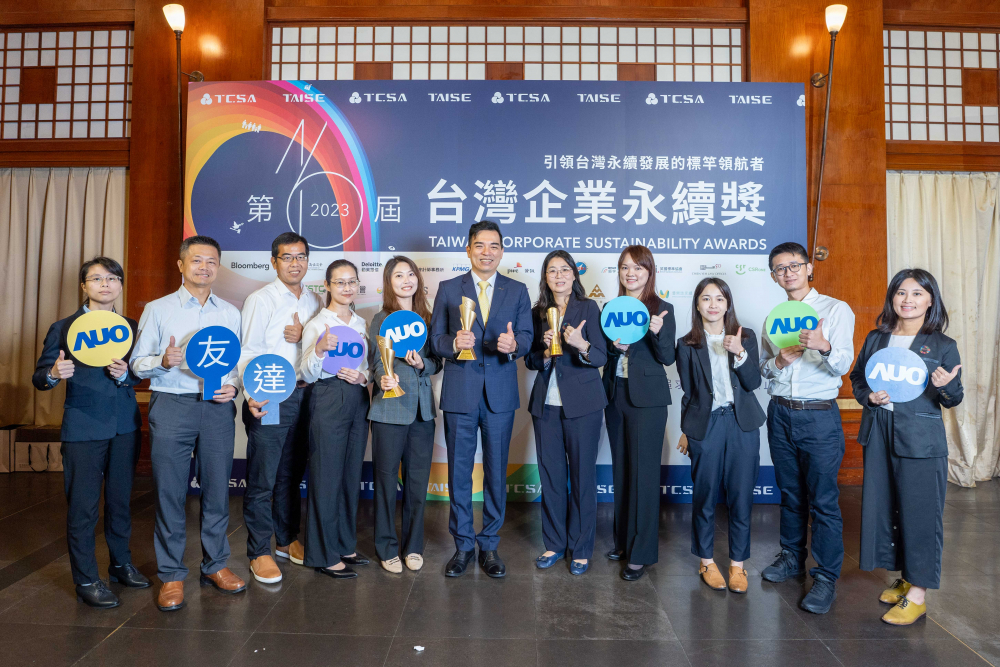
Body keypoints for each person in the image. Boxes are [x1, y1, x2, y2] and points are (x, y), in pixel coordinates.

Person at [131, 235, 245, 612]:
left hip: (216, 409)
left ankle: (215, 565)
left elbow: (236, 364)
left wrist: (233, 386)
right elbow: (137, 364)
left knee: (217, 489)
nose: (204, 267)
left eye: (211, 261)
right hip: (172, 406)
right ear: (181, 265)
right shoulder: (158, 309)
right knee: (170, 492)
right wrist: (162, 362)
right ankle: (171, 573)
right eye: (196, 260)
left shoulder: (230, 312)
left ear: (218, 267)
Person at [32, 257, 149, 609]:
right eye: (97, 279)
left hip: (125, 426)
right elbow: (40, 378)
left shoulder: (130, 326)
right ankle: (85, 579)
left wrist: (126, 374)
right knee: (83, 507)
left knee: (120, 502)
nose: (105, 284)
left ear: (120, 285)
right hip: (83, 427)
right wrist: (53, 373)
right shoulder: (63, 328)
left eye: (112, 278)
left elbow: (139, 373)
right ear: (84, 286)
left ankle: (120, 564)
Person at [849, 269, 962, 626]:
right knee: (886, 507)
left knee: (921, 512)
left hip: (920, 437)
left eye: (917, 293)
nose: (907, 300)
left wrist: (945, 386)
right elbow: (857, 378)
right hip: (879, 432)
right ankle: (905, 577)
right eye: (901, 292)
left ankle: (918, 594)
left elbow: (953, 398)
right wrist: (869, 396)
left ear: (930, 301)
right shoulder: (876, 338)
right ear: (892, 298)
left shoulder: (943, 345)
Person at [430, 220, 532, 578]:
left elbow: (527, 336)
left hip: (500, 395)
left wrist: (514, 344)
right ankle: (462, 546)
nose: (487, 252)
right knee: (459, 472)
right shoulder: (448, 288)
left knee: (495, 472)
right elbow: (435, 340)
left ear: (501, 251)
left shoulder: (517, 290)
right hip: (460, 393)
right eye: (480, 245)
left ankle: (489, 544)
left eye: (494, 246)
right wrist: (452, 344)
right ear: (468, 249)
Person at [758, 241, 855, 614]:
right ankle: (791, 557)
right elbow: (765, 369)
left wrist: (823, 345)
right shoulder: (774, 317)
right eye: (780, 269)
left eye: (794, 265)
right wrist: (779, 363)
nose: (788, 273)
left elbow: (843, 365)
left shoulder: (835, 309)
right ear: (773, 276)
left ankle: (826, 577)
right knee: (790, 493)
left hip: (818, 416)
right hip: (780, 413)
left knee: (823, 500)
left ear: (809, 268)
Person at [237, 232, 323, 584]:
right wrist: (251, 393)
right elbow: (248, 350)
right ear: (274, 262)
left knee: (291, 474)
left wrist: (304, 337)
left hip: (306, 394)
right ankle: (259, 551)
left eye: (300, 256)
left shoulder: (315, 299)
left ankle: (286, 540)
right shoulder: (261, 299)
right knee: (264, 477)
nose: (295, 263)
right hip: (270, 395)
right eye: (287, 257)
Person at [675, 278, 765, 594]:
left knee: (741, 496)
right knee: (705, 495)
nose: (713, 305)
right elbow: (689, 393)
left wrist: (740, 354)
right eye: (706, 298)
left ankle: (738, 565)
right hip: (707, 425)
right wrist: (687, 430)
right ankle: (706, 562)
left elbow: (753, 383)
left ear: (728, 304)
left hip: (742, 423)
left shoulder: (746, 336)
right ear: (697, 304)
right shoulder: (686, 344)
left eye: (719, 299)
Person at [524, 250, 607, 576]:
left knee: (583, 479)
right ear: (545, 278)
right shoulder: (537, 313)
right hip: (546, 406)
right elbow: (530, 360)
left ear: (574, 274)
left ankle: (581, 549)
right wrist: (546, 351)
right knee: (551, 478)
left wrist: (580, 343)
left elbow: (601, 356)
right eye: (552, 271)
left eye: (564, 269)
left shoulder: (589, 308)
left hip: (583, 406)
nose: (558, 276)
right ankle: (554, 544)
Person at [602, 245, 675, 581]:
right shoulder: (610, 307)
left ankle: (640, 553)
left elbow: (667, 358)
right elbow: (602, 353)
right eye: (624, 267)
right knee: (621, 471)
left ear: (649, 272)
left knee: (644, 476)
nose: (630, 273)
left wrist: (657, 333)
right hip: (615, 395)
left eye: (637, 268)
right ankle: (622, 541)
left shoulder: (663, 309)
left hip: (648, 401)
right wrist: (612, 348)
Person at [368, 256, 441, 574]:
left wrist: (423, 364)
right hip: (389, 409)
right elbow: (374, 363)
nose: (406, 280)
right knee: (385, 481)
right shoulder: (380, 319)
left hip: (422, 412)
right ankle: (386, 547)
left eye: (410, 274)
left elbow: (438, 362)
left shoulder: (428, 318)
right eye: (398, 275)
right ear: (389, 282)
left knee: (417, 483)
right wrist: (381, 378)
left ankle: (413, 547)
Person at [299, 259, 371, 580]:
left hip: (357, 398)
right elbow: (305, 373)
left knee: (350, 474)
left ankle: (343, 544)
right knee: (326, 476)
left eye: (351, 281)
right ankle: (323, 554)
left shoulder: (361, 323)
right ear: (327, 286)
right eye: (339, 282)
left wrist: (363, 377)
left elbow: (368, 367)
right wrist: (319, 349)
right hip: (328, 396)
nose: (346, 287)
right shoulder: (317, 324)